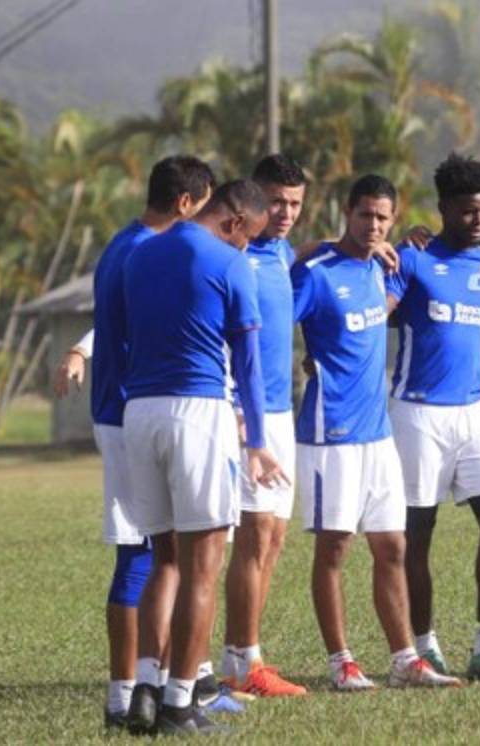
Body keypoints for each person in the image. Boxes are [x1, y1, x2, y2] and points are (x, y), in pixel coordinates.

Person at [52, 156, 214, 728]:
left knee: (157, 552)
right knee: (144, 553)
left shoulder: (126, 244)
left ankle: (165, 685)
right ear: (187, 204)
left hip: (129, 412)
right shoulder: (144, 252)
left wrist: (81, 350)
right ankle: (124, 700)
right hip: (128, 415)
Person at [123, 180, 288, 735]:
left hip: (139, 412)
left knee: (162, 557)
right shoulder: (230, 262)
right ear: (236, 222)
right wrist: (258, 441)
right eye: (251, 238)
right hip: (197, 413)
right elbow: (249, 365)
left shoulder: (140, 254)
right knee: (203, 566)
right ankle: (179, 702)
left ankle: (144, 689)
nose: (248, 249)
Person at [295, 174, 461, 690]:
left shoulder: (381, 268)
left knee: (392, 546)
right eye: (364, 214)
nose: (373, 225)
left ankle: (405, 659)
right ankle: (341, 662)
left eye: (382, 217)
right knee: (335, 548)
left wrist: (408, 236)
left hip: (378, 434)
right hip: (331, 432)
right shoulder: (317, 272)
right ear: (347, 212)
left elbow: (400, 286)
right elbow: (274, 321)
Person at [386, 154, 480, 681]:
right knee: (415, 536)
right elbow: (380, 310)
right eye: (467, 212)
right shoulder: (415, 258)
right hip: (416, 414)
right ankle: (425, 648)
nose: (478, 220)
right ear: (444, 209)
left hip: (473, 413)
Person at [218, 154, 309, 698]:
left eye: (296, 203)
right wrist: (232, 410)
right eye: (277, 201)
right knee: (252, 535)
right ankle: (238, 662)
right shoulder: (234, 254)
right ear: (255, 197)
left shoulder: (285, 254)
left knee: (273, 538)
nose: (285, 212)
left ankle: (247, 654)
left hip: (281, 413)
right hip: (241, 413)